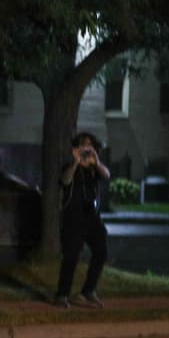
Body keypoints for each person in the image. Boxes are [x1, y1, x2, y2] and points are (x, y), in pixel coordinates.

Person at [54, 132, 110, 309]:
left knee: (101, 251)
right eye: (82, 145)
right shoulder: (70, 166)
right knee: (71, 256)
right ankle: (62, 295)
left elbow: (107, 175)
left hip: (92, 218)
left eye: (89, 145)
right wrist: (76, 162)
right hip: (73, 218)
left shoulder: (94, 168)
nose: (86, 148)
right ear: (76, 148)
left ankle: (87, 292)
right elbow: (65, 180)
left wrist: (96, 161)